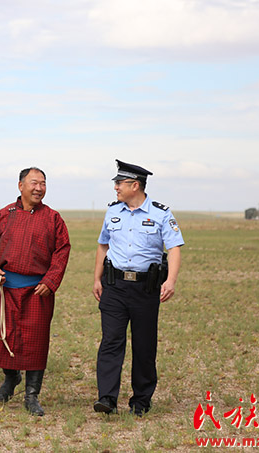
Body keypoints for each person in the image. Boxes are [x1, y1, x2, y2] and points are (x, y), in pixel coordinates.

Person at [92, 160, 183, 416]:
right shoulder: (112, 212)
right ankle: (107, 398)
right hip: (114, 287)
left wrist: (171, 281)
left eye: (119, 183)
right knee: (111, 342)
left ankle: (141, 401)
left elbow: (174, 248)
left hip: (145, 289)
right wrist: (97, 279)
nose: (116, 188)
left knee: (144, 346)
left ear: (135, 185)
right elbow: (103, 245)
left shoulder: (161, 213)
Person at [0, 167, 71, 416]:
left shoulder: (53, 219)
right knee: (4, 339)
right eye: (33, 183)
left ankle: (32, 396)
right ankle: (11, 378)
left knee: (35, 344)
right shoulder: (4, 215)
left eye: (42, 183)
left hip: (38, 292)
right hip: (6, 289)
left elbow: (62, 252)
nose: (38, 188)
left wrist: (50, 281)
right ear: (21, 186)